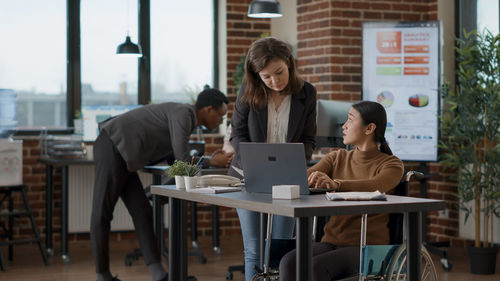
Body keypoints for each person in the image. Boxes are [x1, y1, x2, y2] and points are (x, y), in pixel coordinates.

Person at [90, 88, 234, 281]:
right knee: (102, 212)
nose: (221, 121)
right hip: (112, 146)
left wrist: (207, 160)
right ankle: (102, 275)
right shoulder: (184, 114)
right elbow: (182, 161)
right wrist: (210, 161)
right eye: (221, 115)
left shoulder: (185, 120)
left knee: (143, 211)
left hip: (126, 157)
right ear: (208, 109)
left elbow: (175, 161)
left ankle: (158, 274)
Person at [278, 101, 404, 281]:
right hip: (331, 241)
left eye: (350, 120)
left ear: (369, 129)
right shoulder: (337, 157)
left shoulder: (391, 164)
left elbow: (375, 185)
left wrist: (336, 184)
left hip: (368, 246)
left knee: (316, 267)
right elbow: (304, 178)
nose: (343, 126)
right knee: (288, 262)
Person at [229, 37, 317, 281]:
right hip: (248, 177)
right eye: (266, 77)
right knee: (255, 250)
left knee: (281, 251)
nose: (274, 81)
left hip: (287, 180)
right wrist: (251, 159)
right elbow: (237, 134)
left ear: (289, 62)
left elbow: (309, 138)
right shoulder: (249, 92)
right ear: (257, 75)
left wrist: (296, 160)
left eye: (279, 73)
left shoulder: (307, 93)